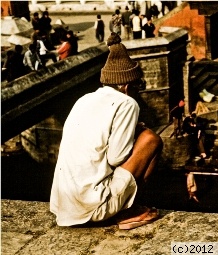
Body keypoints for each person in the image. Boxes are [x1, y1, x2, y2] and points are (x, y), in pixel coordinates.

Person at [50, 33, 163, 230]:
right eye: (139, 86)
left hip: (65, 207)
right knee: (151, 139)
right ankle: (129, 211)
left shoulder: (84, 99)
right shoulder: (127, 103)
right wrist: (137, 133)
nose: (140, 92)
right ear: (127, 87)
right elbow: (116, 157)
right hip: (94, 207)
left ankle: (124, 205)